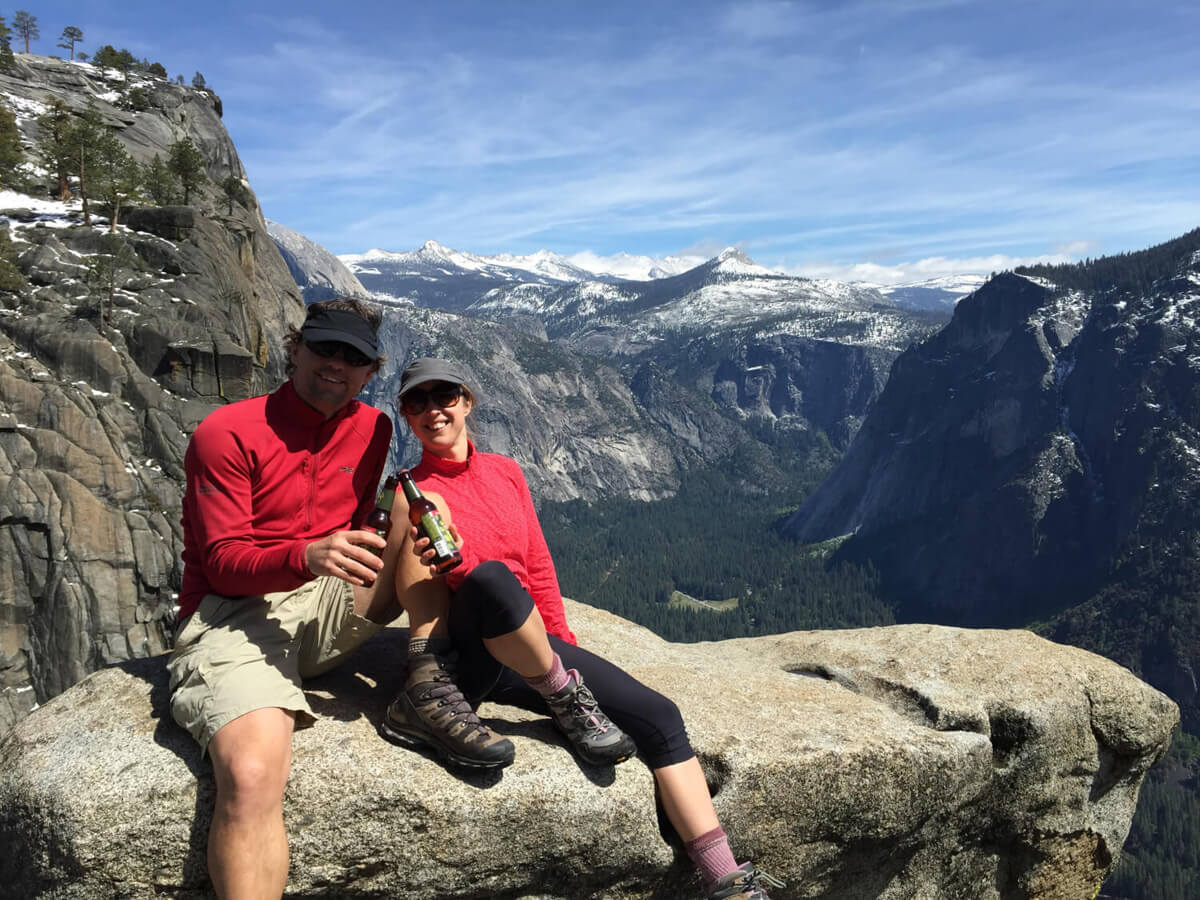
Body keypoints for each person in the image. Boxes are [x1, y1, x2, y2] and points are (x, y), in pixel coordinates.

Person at [381, 357, 784, 900]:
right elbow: (395, 593)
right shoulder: (412, 493)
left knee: (661, 716)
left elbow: (539, 563)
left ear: (467, 401)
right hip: (472, 655)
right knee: (492, 579)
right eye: (416, 402)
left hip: (530, 646)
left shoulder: (505, 472)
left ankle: (724, 878)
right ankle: (561, 691)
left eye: (444, 397)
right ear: (406, 415)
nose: (432, 411)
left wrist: (561, 643)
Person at [168, 298, 410, 900]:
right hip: (232, 613)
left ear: (371, 370)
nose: (337, 365)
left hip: (323, 601)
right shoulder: (227, 432)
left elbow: (358, 529)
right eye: (325, 348)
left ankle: (441, 677)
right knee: (251, 776)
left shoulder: (373, 428)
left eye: (353, 357)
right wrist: (304, 555)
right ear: (294, 348)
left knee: (421, 519)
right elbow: (222, 562)